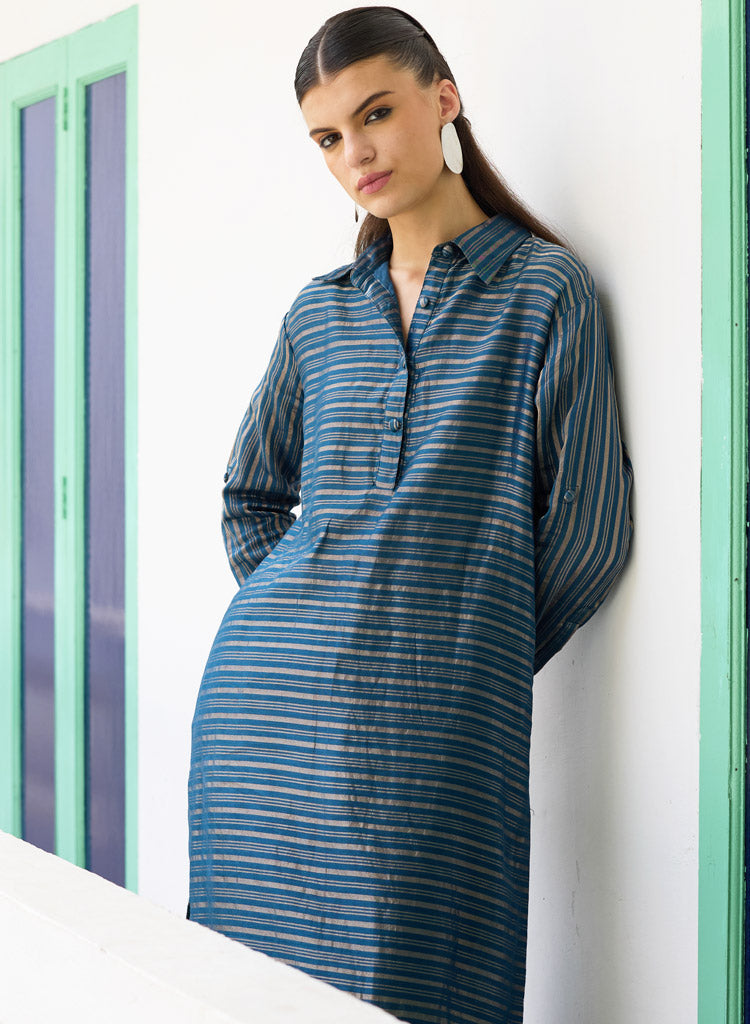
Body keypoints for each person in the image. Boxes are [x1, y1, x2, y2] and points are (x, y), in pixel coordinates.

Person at [188, 7, 633, 1024]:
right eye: (328, 137)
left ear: (444, 99)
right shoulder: (321, 311)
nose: (355, 153)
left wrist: (452, 654)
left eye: (376, 113)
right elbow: (250, 496)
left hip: (438, 718)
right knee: (252, 987)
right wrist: (324, 621)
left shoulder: (543, 291)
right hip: (262, 713)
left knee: (418, 979)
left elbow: (591, 533)